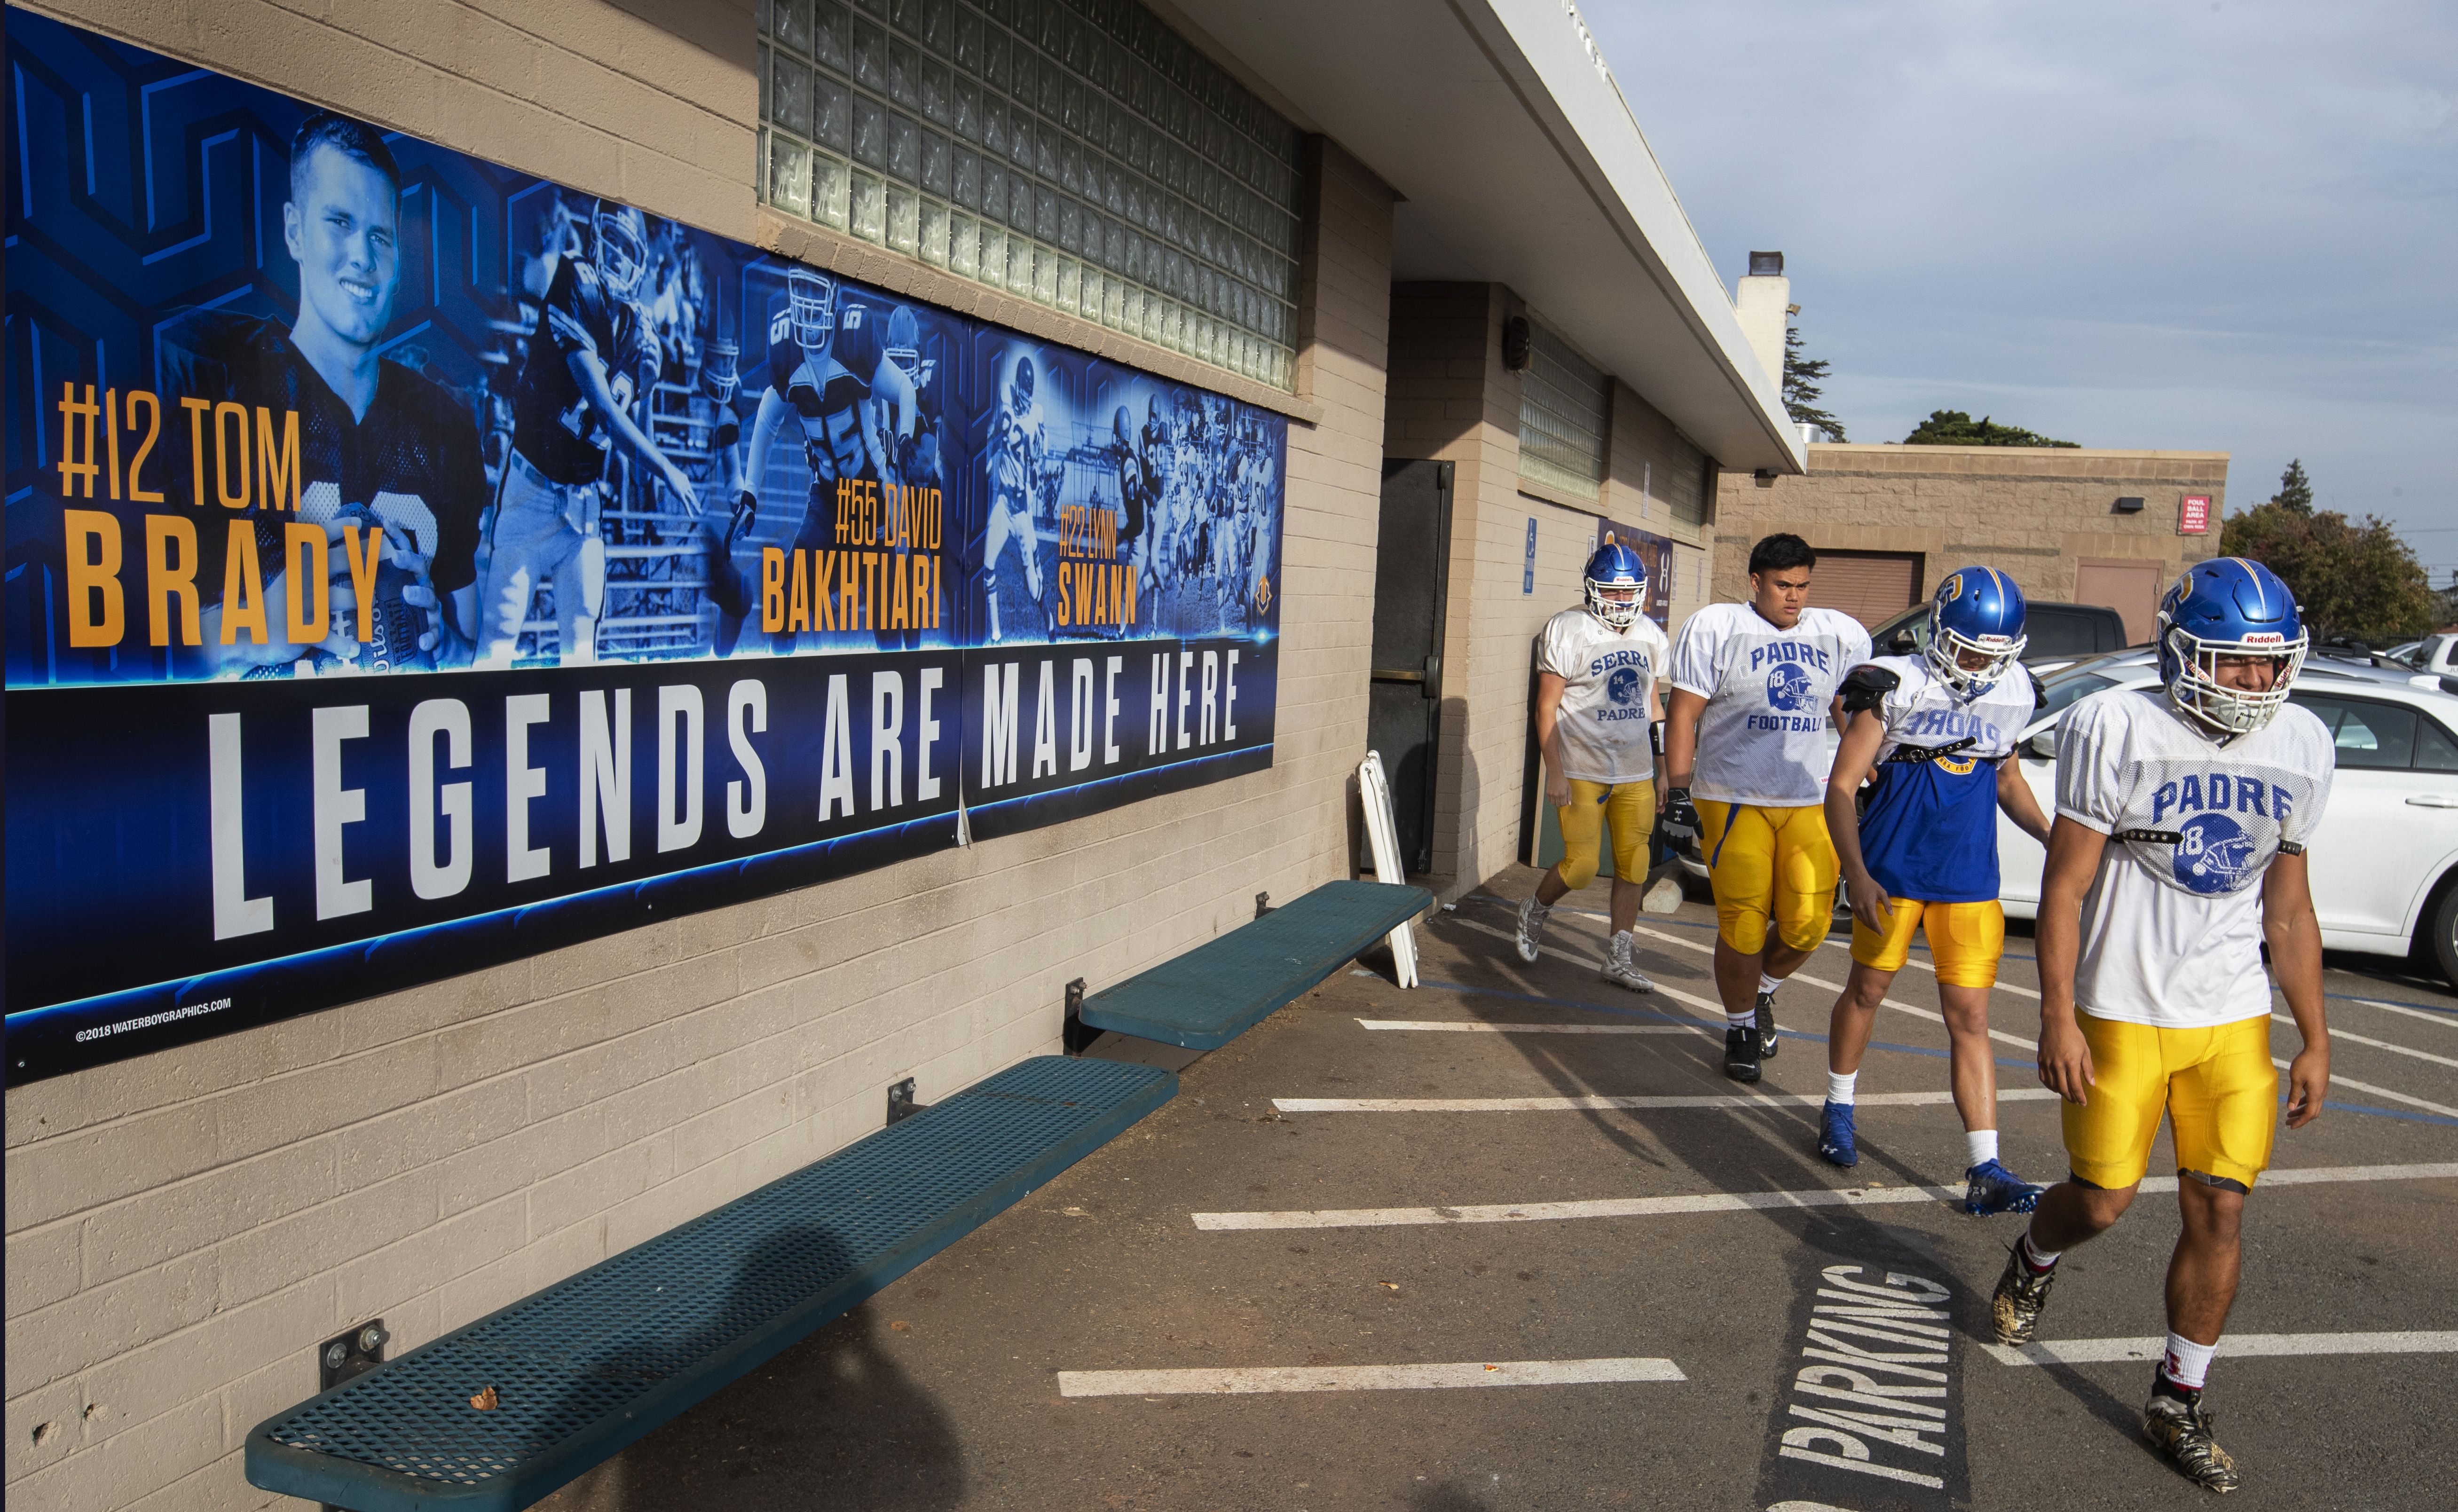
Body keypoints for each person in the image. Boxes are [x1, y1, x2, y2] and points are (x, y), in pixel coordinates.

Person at [1989, 557, 2331, 1494]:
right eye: (2233, 664)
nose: (2257, 684)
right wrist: (2055, 1013)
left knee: (2219, 1205)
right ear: (2184, 654)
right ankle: (2035, 1252)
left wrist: (2315, 1033)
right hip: (2124, 1003)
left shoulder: (2299, 744)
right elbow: (2063, 888)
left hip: (2229, 1012)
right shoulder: (2117, 726)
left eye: (2269, 665)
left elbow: (2289, 912)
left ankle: (2176, 1397)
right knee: (2100, 1200)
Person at [161, 111, 486, 676]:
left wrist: (442, 642)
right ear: (295, 231)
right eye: (339, 222)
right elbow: (113, 637)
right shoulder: (210, 377)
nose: (362, 255)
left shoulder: (447, 426)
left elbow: (469, 655)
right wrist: (254, 629)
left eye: (380, 235)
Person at [1816, 567, 2054, 1214]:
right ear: (1940, 634)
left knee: (1971, 1019)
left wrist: (2051, 834)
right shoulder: (1895, 684)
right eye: (1969, 648)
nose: (1978, 663)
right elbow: (1841, 787)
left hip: (1969, 877)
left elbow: (2005, 778)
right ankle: (1839, 1105)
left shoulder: (2015, 693)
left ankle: (1985, 1165)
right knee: (1867, 990)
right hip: (1892, 869)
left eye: (1991, 653)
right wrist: (1857, 872)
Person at [1661, 534, 1872, 1083]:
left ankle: (1760, 994)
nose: (1794, 596)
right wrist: (1677, 791)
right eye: (1782, 585)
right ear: (1754, 582)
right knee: (1743, 924)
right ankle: (1738, 1027)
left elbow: (1845, 704)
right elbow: (1682, 714)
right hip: (1731, 795)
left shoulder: (1839, 633)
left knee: (1808, 923)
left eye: (1802, 585)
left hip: (1806, 795)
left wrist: (1864, 763)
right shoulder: (1717, 627)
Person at [477, 200, 701, 667]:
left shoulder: (642, 334)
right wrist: (665, 468)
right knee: (496, 649)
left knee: (581, 657)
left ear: (643, 259)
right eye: (611, 242)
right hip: (530, 493)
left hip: (583, 507)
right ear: (596, 237)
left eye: (627, 247)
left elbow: (632, 388)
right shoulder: (574, 278)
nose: (616, 255)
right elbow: (602, 408)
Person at [1515, 543, 1671, 992]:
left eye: (1629, 594)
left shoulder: (1650, 635)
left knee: (1635, 865)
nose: (1622, 602)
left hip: (1636, 769)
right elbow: (1547, 707)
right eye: (1612, 592)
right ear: (1592, 589)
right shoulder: (1569, 629)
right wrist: (1556, 771)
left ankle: (1618, 956)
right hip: (1583, 766)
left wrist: (1662, 768)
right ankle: (1535, 908)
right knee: (1581, 867)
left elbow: (1653, 707)